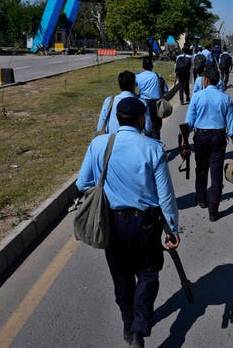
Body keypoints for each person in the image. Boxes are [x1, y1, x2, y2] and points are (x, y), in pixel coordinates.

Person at [76, 97, 180, 348]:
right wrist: (172, 228)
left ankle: (128, 324)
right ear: (141, 119)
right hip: (146, 223)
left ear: (118, 118)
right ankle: (139, 328)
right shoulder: (153, 147)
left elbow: (82, 184)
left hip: (113, 223)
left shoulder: (99, 144)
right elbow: (165, 195)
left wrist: (109, 191)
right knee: (148, 273)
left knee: (121, 276)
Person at [184, 66, 233, 222]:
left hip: (200, 137)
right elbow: (232, 127)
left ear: (206, 80)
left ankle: (202, 199)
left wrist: (184, 143)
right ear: (218, 81)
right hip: (218, 137)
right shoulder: (226, 98)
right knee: (216, 173)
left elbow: (188, 123)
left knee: (201, 168)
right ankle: (213, 211)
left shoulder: (197, 97)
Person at [96, 71, 151, 135]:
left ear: (120, 85)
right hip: (134, 141)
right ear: (133, 86)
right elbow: (147, 128)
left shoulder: (109, 101)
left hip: (113, 141)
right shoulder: (142, 103)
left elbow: (100, 127)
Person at [136, 57, 168, 140]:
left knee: (146, 127)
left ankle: (148, 143)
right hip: (156, 104)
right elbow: (165, 90)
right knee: (156, 126)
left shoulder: (138, 77)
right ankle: (157, 145)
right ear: (152, 66)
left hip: (143, 103)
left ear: (143, 66)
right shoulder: (158, 76)